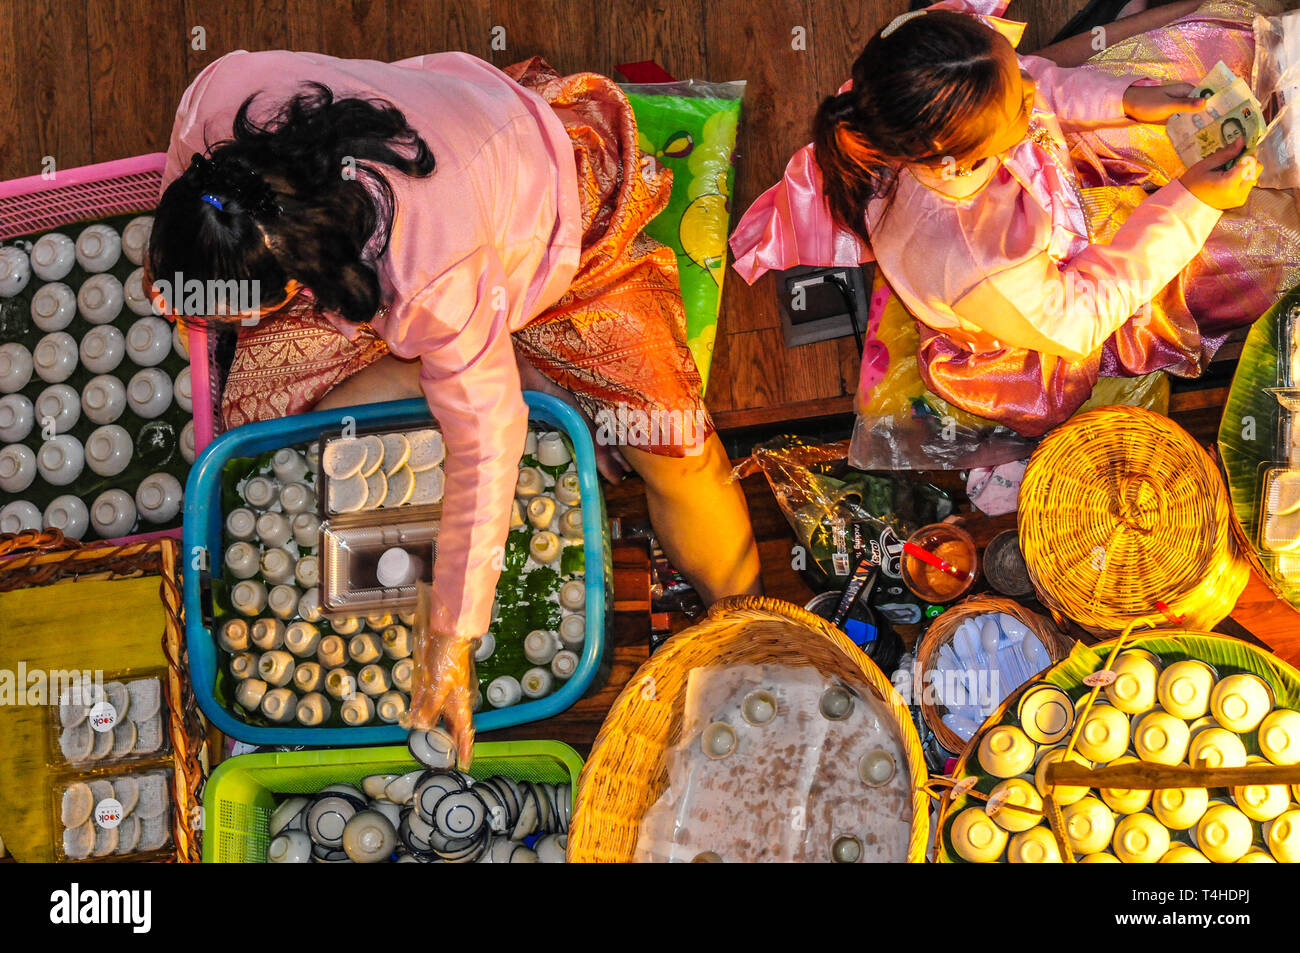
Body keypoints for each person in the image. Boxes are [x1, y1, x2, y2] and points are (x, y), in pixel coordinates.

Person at [148, 50, 761, 760]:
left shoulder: (427, 263)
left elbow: (488, 445)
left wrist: (450, 638)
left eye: (244, 312)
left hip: (554, 220)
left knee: (671, 443)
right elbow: (193, 210)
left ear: (300, 281)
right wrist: (183, 279)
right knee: (261, 432)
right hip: (446, 253)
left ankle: (749, 622)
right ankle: (507, 367)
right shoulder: (223, 99)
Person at [731, 0, 1300, 437]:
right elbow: (1083, 314)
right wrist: (1194, 202)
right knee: (1264, 244)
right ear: (961, 150)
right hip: (1045, 313)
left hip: (1053, 198)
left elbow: (1040, 81)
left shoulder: (931, 99)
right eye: (1020, 105)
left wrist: (1126, 99)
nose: (1033, 88)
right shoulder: (977, 260)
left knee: (1203, 59)